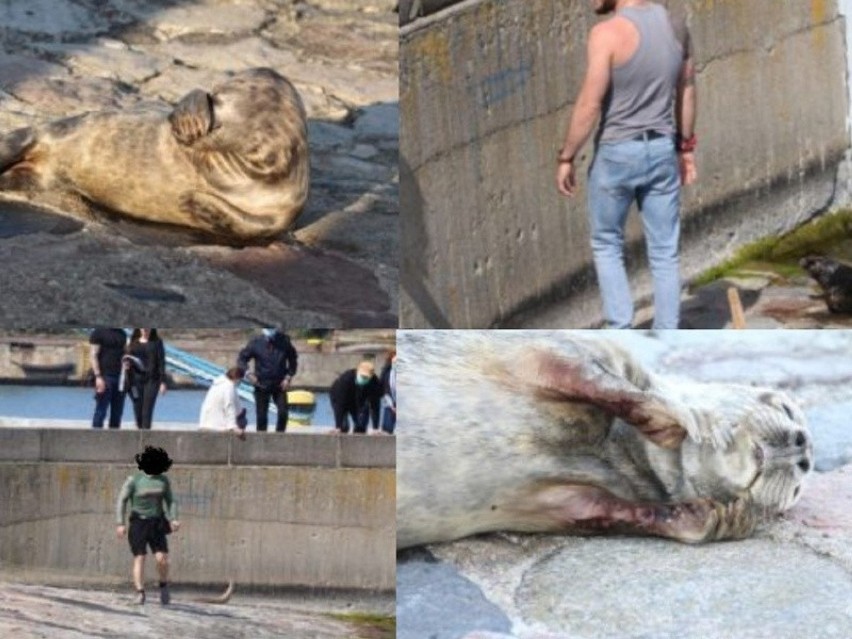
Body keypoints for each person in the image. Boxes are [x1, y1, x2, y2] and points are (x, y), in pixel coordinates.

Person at [555, 0, 696, 329]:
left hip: (617, 153)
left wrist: (566, 156)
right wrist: (685, 149)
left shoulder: (606, 34)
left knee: (607, 243)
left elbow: (590, 104)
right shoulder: (676, 25)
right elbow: (687, 90)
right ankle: (667, 341)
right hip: (662, 148)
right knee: (664, 252)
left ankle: (622, 334)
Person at [116, 446, 180, 605]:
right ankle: (140, 592)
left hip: (157, 522)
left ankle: (163, 585)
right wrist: (120, 523)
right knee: (140, 557)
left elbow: (171, 500)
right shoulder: (134, 480)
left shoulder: (163, 480)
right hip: (138, 522)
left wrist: (174, 518)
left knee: (162, 559)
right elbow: (121, 500)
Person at [237, 328, 298, 432]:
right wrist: (248, 374)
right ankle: (261, 440)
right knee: (261, 417)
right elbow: (242, 359)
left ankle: (279, 436)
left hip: (280, 384)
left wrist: (288, 377)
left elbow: (293, 360)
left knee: (283, 413)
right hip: (261, 383)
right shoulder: (255, 343)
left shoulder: (284, 342)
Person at [124, 329, 167, 430]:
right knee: (137, 408)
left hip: (152, 380)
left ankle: (145, 436)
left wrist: (163, 382)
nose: (145, 329)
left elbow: (161, 362)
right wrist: (126, 364)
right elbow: (128, 358)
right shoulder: (133, 342)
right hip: (135, 380)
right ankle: (139, 431)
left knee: (147, 410)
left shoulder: (157, 342)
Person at [89, 328, 128, 429]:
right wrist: (98, 377)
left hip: (120, 378)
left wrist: (127, 363)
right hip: (105, 376)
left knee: (117, 413)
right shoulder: (98, 332)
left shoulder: (122, 333)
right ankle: (96, 439)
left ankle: (114, 442)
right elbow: (93, 355)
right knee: (101, 410)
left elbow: (124, 354)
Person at [329, 361, 383, 434]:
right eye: (362, 376)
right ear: (357, 372)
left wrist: (375, 428)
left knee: (361, 427)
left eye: (366, 377)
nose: (364, 378)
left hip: (359, 399)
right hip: (339, 397)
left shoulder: (375, 383)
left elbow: (375, 405)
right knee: (343, 427)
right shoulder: (346, 379)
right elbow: (340, 404)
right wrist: (338, 426)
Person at [199, 366, 248, 440]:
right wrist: (233, 427)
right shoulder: (229, 386)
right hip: (217, 425)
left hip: (205, 423)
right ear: (237, 379)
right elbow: (229, 406)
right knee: (242, 419)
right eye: (240, 381)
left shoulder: (217, 384)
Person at [379, 350, 397, 434]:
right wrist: (392, 405)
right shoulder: (387, 372)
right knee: (387, 428)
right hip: (389, 402)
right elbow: (384, 389)